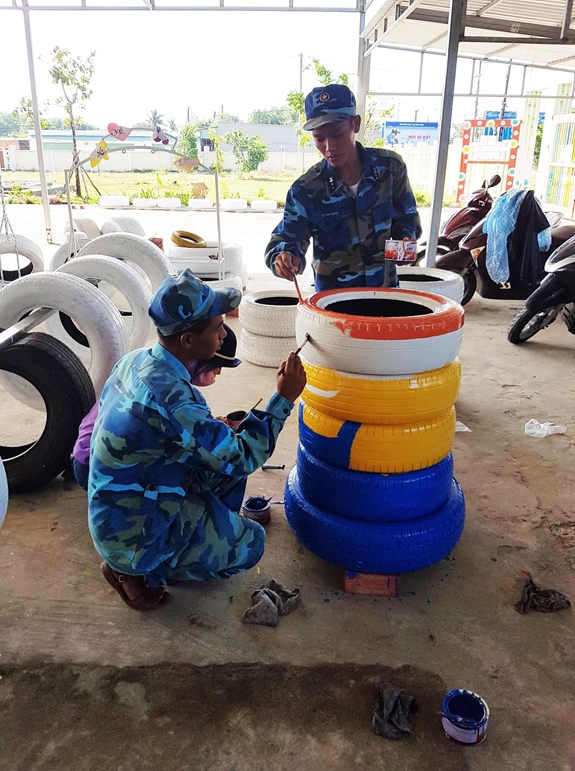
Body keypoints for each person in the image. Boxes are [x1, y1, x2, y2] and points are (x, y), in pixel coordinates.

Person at [88, 270, 306, 612]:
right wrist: (283, 399)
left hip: (123, 502)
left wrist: (218, 428)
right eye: (217, 327)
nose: (224, 335)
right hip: (131, 534)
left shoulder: (137, 361)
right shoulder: (174, 401)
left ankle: (195, 535)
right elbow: (243, 457)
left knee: (226, 463)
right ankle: (139, 570)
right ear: (187, 340)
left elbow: (169, 434)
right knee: (251, 542)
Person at [265, 83, 422, 291]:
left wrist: (406, 240)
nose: (329, 147)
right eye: (319, 138)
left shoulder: (390, 169)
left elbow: (407, 218)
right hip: (334, 303)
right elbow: (287, 239)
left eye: (337, 135)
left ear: (355, 124)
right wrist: (284, 256)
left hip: (385, 296)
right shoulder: (306, 190)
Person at [71, 324, 242, 491]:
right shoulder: (172, 393)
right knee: (222, 464)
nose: (218, 373)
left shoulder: (138, 358)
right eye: (217, 367)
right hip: (98, 472)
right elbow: (229, 454)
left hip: (84, 456)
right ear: (198, 356)